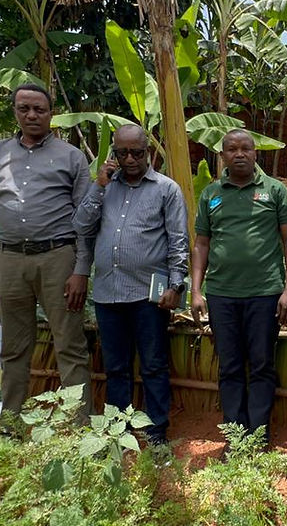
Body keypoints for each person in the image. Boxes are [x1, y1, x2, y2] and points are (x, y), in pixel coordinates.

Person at [0, 83, 91, 418]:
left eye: (40, 109)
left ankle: (79, 426)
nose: (32, 115)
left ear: (51, 114)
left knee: (69, 345)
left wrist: (80, 270)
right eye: (24, 108)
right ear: (15, 111)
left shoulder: (71, 156)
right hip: (7, 260)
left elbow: (87, 220)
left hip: (58, 259)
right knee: (13, 347)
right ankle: (10, 423)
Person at [72, 124, 188, 445]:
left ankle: (155, 432)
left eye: (137, 152)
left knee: (153, 366)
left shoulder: (166, 189)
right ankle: (118, 432)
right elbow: (81, 225)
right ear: (114, 154)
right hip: (109, 294)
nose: (130, 159)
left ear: (148, 151)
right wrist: (98, 185)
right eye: (122, 153)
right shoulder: (105, 187)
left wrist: (176, 285)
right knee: (117, 368)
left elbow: (179, 240)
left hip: (148, 295)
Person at [190, 128, 287, 441]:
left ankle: (259, 436)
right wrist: (196, 291)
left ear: (255, 153)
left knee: (262, 364)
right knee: (230, 367)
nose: (239, 154)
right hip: (222, 293)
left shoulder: (274, 191)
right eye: (231, 150)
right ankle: (236, 437)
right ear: (222, 156)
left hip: (265, 292)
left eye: (245, 149)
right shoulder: (211, 194)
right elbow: (202, 244)